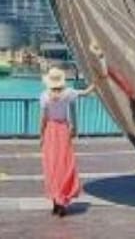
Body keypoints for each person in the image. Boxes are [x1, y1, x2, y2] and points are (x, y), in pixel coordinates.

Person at [39, 66, 95, 217]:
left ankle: (55, 203)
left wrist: (41, 135)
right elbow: (86, 92)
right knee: (64, 165)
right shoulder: (68, 93)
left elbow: (43, 118)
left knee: (52, 167)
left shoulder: (44, 96)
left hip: (51, 130)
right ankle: (63, 201)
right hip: (63, 130)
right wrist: (97, 81)